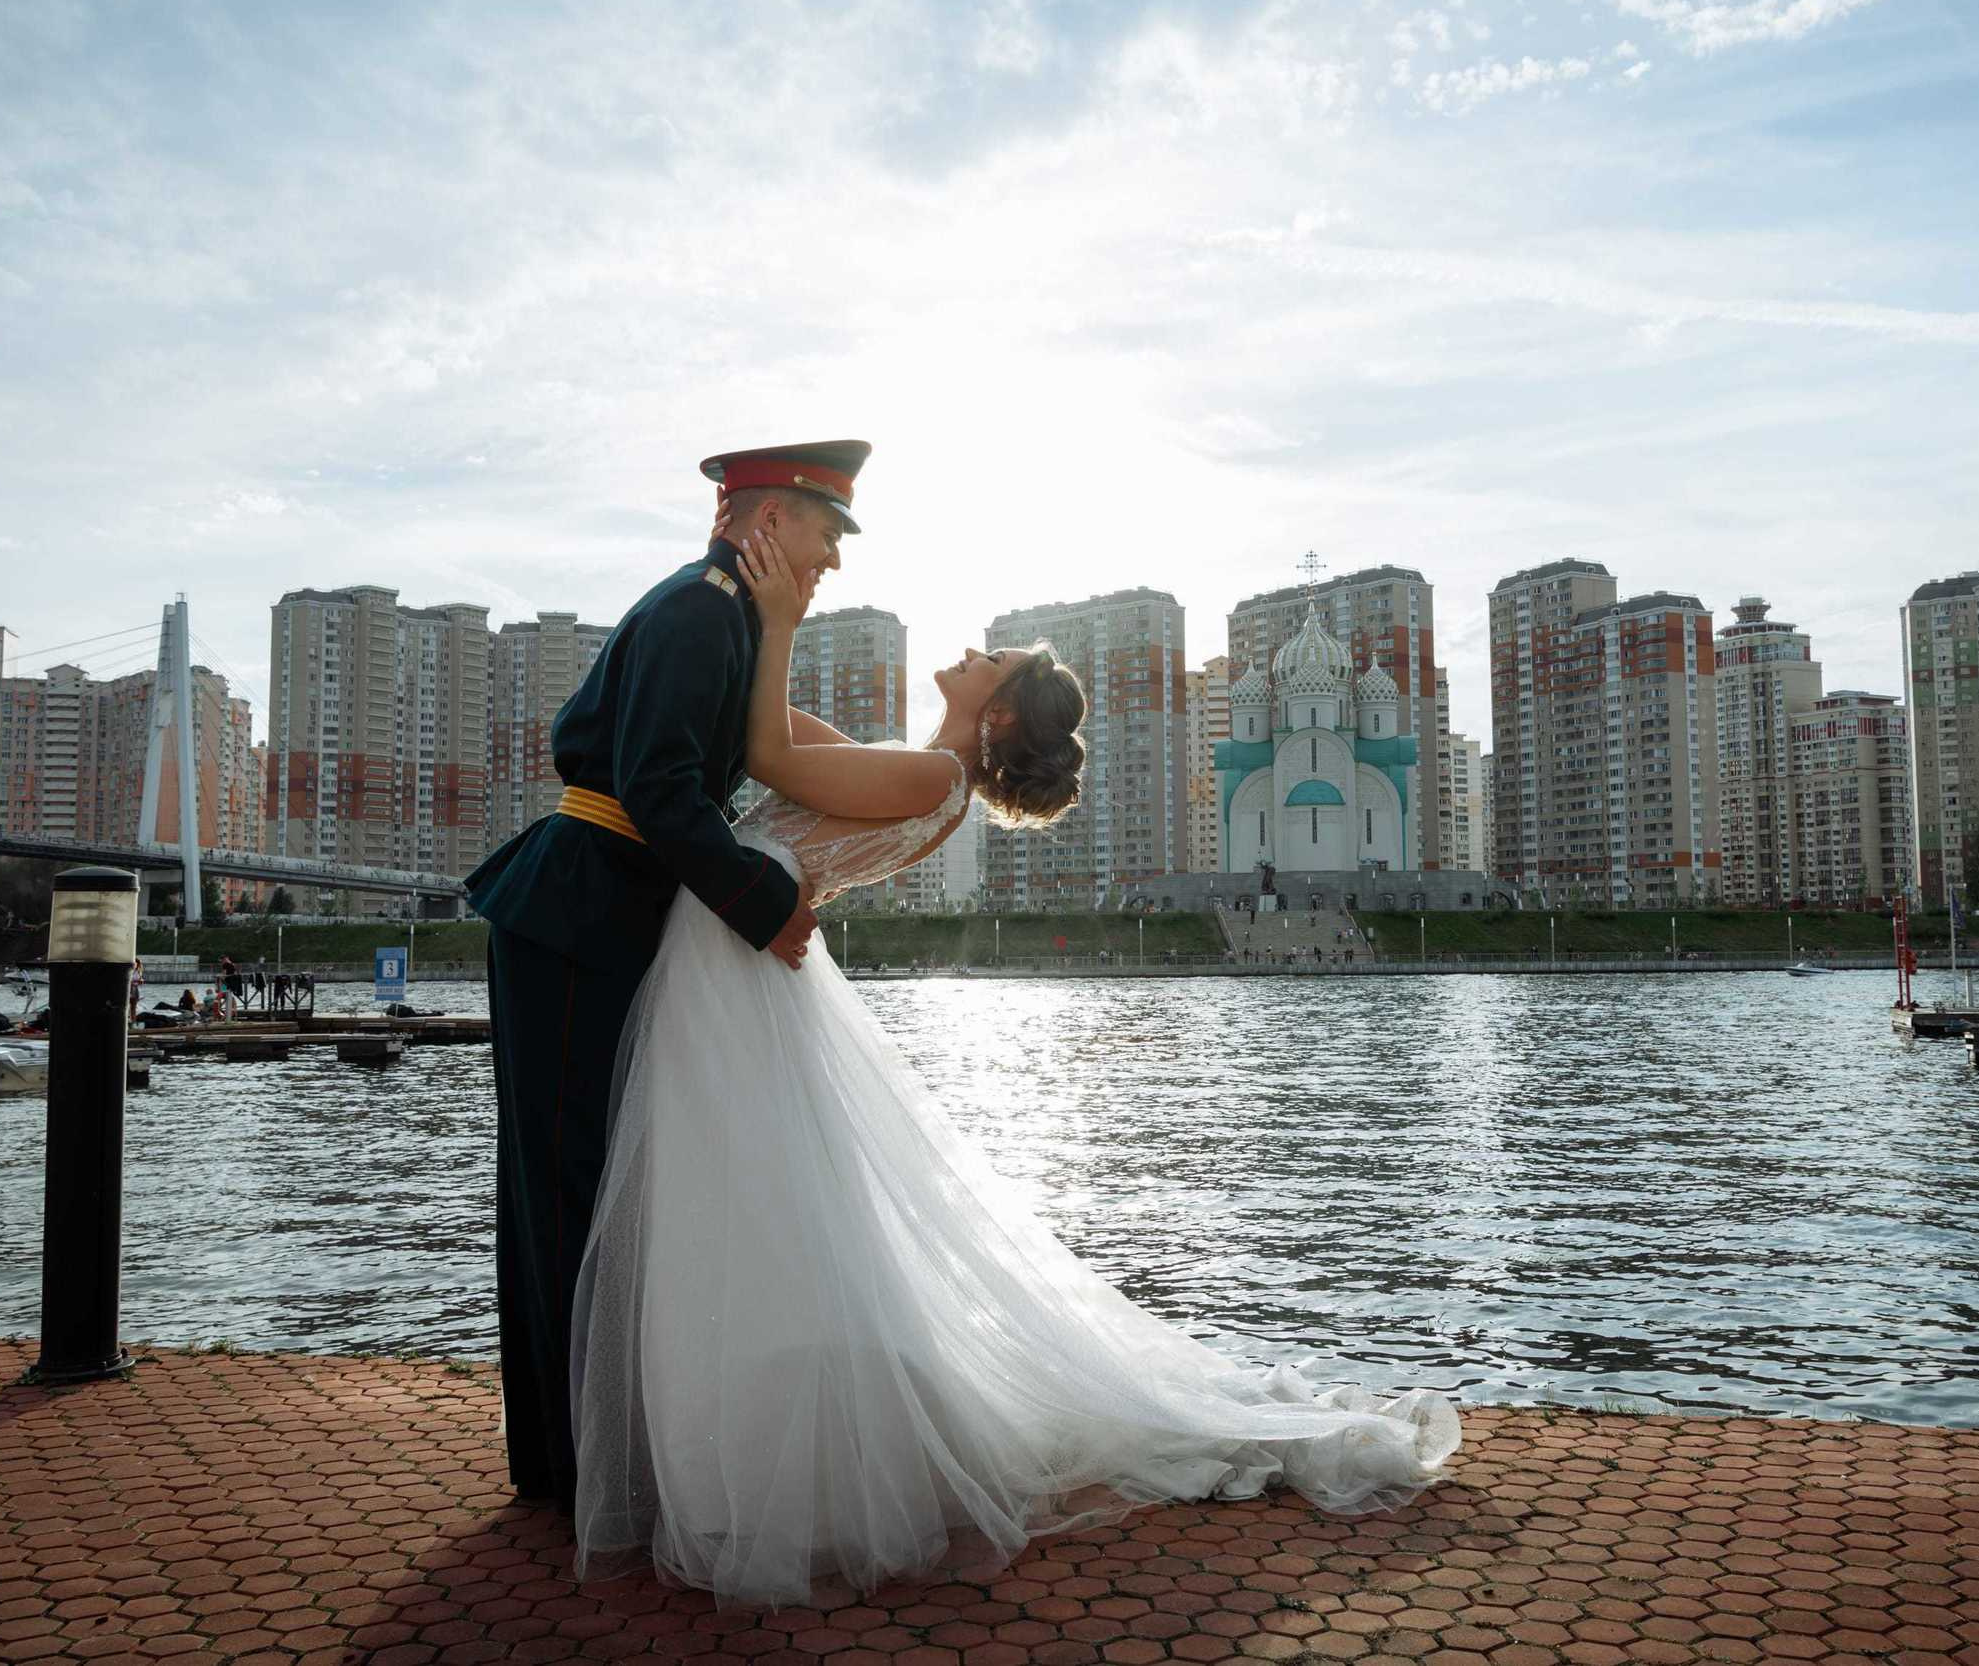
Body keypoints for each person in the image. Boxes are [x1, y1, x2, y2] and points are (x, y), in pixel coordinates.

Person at [568, 523, 1457, 1608]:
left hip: (734, 966)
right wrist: (750, 633)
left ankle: (773, 1454)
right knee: (755, 1199)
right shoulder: (915, 765)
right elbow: (751, 724)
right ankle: (734, 1437)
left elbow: (762, 753)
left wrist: (784, 617)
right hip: (731, 961)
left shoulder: (926, 774)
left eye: (990, 656)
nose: (970, 648)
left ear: (993, 712)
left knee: (750, 1198)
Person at [465, 440, 848, 1512]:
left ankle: (581, 1444)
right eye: (824, 533)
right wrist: (767, 909)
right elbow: (658, 787)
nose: (832, 561)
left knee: (591, 1183)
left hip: (604, 911)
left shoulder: (726, 614)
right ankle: (566, 1459)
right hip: (580, 912)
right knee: (566, 1187)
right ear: (762, 521)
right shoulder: (696, 611)